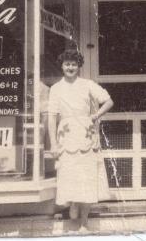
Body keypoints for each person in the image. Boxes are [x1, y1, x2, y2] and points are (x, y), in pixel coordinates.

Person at [48, 49, 114, 232]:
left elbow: (108, 101)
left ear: (79, 67)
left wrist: (94, 116)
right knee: (69, 175)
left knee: (87, 178)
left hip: (86, 135)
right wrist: (53, 143)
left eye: (74, 64)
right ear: (62, 66)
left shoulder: (87, 84)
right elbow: (51, 118)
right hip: (66, 136)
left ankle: (84, 223)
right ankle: (73, 204)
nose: (70, 67)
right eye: (67, 64)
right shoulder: (56, 89)